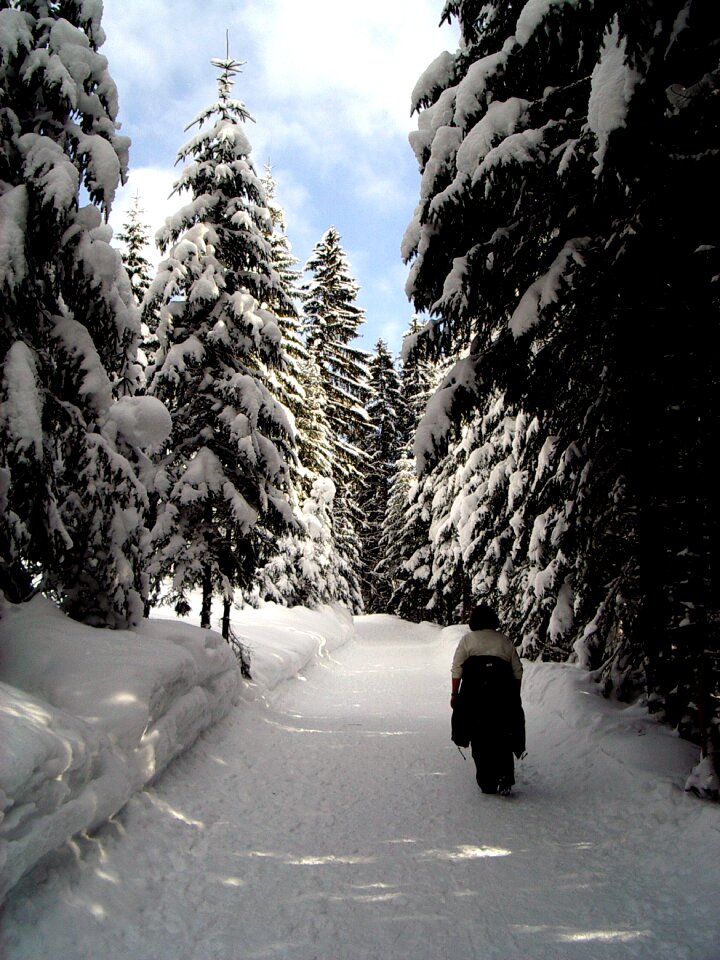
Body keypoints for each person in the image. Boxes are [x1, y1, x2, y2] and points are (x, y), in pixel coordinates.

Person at [450, 604, 525, 796]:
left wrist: (454, 694)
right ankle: (505, 777)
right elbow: (517, 670)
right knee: (503, 735)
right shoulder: (504, 641)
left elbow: (457, 668)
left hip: (474, 695)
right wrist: (513, 696)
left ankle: (487, 781)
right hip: (502, 694)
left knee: (479, 736)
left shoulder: (467, 640)